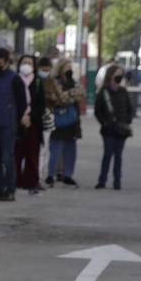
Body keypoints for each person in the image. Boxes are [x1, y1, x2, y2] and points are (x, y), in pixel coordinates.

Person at [0, 47, 26, 201]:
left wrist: (18, 121)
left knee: (8, 157)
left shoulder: (14, 78)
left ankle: (10, 189)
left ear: (7, 60)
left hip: (8, 123)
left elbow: (22, 103)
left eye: (0, 59)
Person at [94, 63, 135, 190]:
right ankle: (102, 180)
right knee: (107, 154)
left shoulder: (123, 91)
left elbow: (130, 108)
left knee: (118, 155)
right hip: (108, 129)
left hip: (121, 128)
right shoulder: (103, 91)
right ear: (110, 75)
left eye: (120, 74)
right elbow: (97, 110)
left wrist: (127, 121)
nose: (119, 76)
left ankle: (117, 181)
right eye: (117, 74)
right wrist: (104, 122)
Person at [44, 59, 84, 187]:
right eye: (66, 66)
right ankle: (51, 175)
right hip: (57, 119)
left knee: (71, 148)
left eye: (70, 66)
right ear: (60, 68)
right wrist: (70, 95)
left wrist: (68, 95)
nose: (69, 69)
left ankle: (68, 175)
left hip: (72, 120)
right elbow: (58, 98)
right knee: (55, 148)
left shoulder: (73, 81)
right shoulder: (54, 81)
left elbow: (81, 94)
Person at [13, 54, 47, 195]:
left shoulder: (38, 81)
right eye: (24, 62)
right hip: (17, 121)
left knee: (32, 153)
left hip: (33, 122)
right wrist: (20, 116)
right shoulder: (14, 79)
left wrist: (30, 116)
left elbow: (41, 103)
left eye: (29, 63)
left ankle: (32, 181)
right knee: (16, 153)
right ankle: (15, 180)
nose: (26, 65)